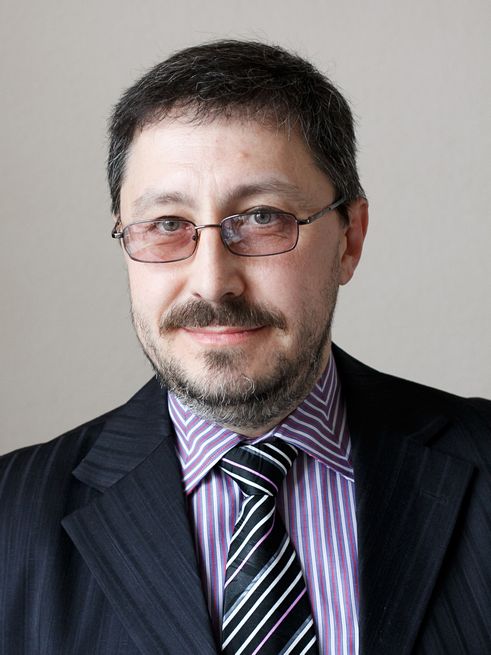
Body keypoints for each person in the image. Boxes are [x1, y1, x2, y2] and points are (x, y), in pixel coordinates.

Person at [1, 40, 490, 655]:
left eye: (262, 218)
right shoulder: (11, 513)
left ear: (350, 239)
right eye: (167, 224)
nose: (212, 283)